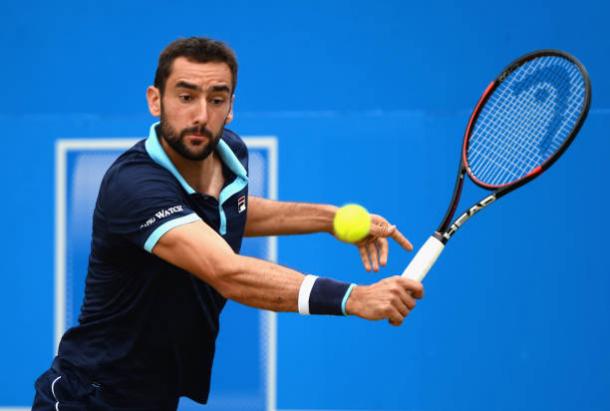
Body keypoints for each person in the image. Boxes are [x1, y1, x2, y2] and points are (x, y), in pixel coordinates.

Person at [33, 37, 424, 410]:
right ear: (156, 101)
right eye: (185, 97)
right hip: (87, 397)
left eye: (216, 99)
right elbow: (227, 272)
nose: (201, 115)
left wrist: (330, 219)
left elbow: (229, 211)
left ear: (231, 106)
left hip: (154, 397)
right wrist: (353, 298)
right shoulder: (134, 185)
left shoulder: (230, 153)